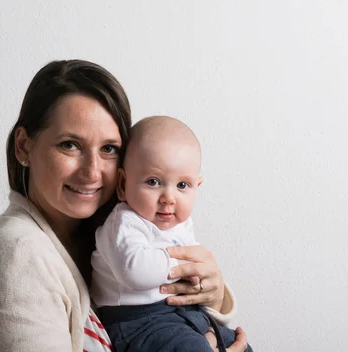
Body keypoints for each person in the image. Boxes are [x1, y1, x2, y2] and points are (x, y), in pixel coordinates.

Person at [0, 59, 250, 352]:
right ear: (24, 146)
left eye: (109, 149)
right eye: (70, 145)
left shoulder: (102, 233)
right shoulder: (18, 255)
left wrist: (211, 296)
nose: (92, 171)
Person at [91, 116, 252, 352]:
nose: (169, 197)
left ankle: (207, 341)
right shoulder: (124, 222)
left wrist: (198, 278)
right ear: (123, 184)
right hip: (137, 322)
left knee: (243, 346)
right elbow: (134, 271)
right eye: (153, 182)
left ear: (197, 186)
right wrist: (185, 262)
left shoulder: (181, 224)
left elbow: (198, 273)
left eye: (182, 185)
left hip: (182, 315)